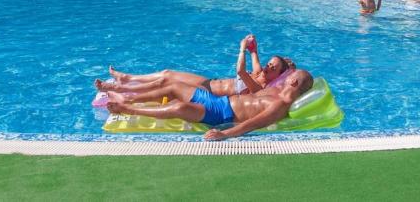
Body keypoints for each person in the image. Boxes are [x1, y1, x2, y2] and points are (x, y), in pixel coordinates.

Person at [105, 70, 314, 140]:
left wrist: (224, 134)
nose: (288, 76)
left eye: (291, 75)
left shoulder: (281, 103)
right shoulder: (276, 90)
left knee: (180, 107)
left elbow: (252, 124)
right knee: (172, 85)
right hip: (218, 101)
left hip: (222, 114)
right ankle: (129, 97)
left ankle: (128, 109)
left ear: (294, 82)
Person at [98, 37, 294, 97]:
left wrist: (241, 48)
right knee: (168, 72)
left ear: (278, 76)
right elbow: (255, 53)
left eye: (273, 68)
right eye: (270, 63)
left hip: (211, 94)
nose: (268, 67)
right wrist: (252, 45)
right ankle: (127, 78)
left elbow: (241, 71)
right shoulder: (260, 74)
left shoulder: (260, 89)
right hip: (209, 83)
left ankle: (119, 88)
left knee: (166, 82)